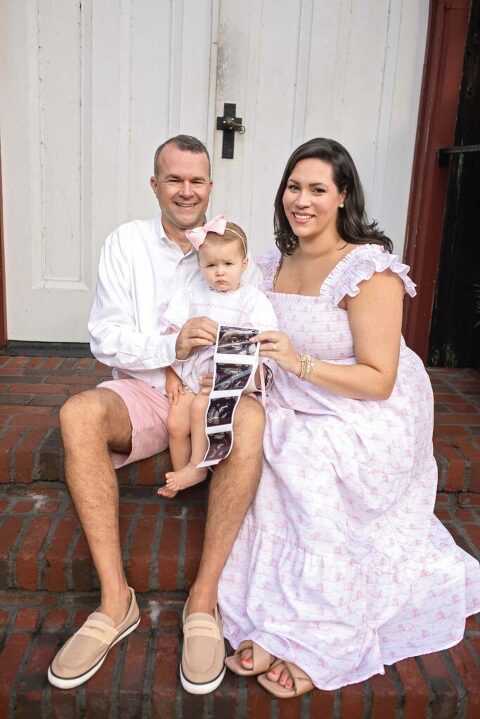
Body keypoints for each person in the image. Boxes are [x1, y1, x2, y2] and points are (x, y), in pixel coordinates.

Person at [218, 138, 480, 698]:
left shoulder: (367, 270)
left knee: (308, 460)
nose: (302, 200)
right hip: (294, 393)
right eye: (294, 186)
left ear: (342, 198)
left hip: (365, 408)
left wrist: (298, 362)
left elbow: (379, 379)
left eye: (318, 189)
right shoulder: (269, 264)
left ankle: (321, 633)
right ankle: (278, 619)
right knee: (261, 445)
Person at [47, 135, 266, 695]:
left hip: (212, 394)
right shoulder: (126, 244)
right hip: (143, 392)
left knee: (252, 421)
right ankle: (116, 601)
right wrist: (171, 350)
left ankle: (203, 600)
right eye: (174, 179)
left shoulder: (233, 248)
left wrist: (235, 376)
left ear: (210, 186)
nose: (186, 190)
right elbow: (105, 338)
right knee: (78, 413)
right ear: (155, 185)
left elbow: (255, 331)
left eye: (196, 180)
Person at [158, 215, 277, 498]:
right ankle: (182, 474)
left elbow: (265, 339)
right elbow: (170, 336)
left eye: (228, 264)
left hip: (225, 377)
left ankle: (197, 466)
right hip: (191, 374)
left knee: (201, 409)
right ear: (199, 265)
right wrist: (171, 373)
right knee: (175, 422)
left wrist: (240, 376)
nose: (219, 272)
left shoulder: (251, 300)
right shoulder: (190, 294)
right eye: (211, 265)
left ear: (244, 264)